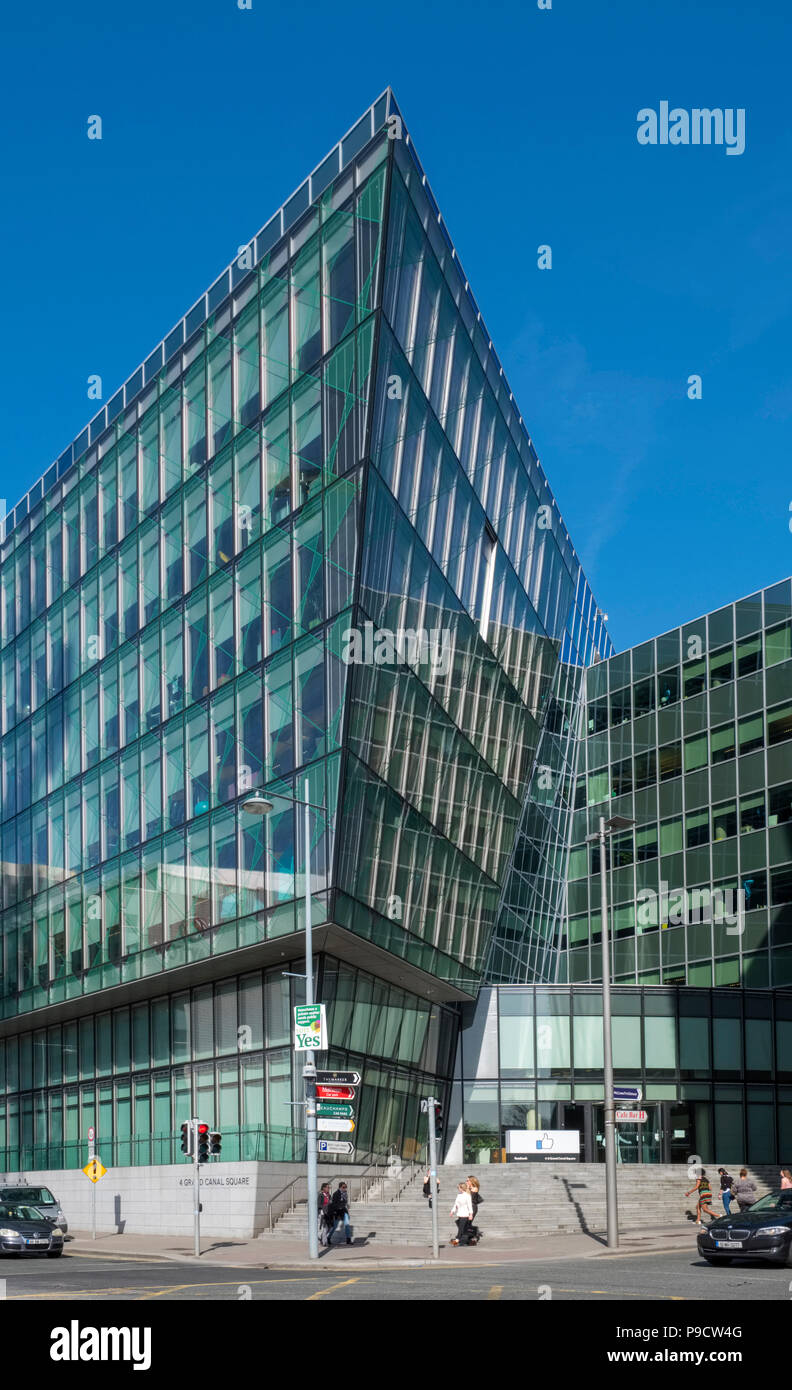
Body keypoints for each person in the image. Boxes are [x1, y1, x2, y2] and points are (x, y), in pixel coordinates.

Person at [327, 1181, 352, 1245]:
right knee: (335, 1226)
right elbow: (334, 1204)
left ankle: (348, 1239)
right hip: (337, 1212)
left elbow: (345, 1202)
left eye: (345, 1187)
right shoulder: (336, 1194)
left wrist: (346, 1205)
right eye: (343, 1187)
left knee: (347, 1224)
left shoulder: (345, 1194)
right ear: (340, 1187)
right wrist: (339, 1207)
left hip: (344, 1211)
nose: (345, 1188)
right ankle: (328, 1238)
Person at [450, 1182, 473, 1246]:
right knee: (463, 1229)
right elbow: (456, 1204)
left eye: (459, 1187)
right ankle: (469, 1240)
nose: (458, 1188)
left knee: (461, 1228)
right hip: (460, 1214)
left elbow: (469, 1206)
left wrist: (471, 1214)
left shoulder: (467, 1196)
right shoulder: (459, 1195)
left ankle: (457, 1240)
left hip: (465, 1214)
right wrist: (452, 1211)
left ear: (461, 1188)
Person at [466, 1176, 482, 1244]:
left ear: (471, 1181)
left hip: (473, 1207)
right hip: (467, 1207)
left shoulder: (475, 1188)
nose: (466, 1182)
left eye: (467, 1180)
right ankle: (472, 1235)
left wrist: (467, 1187)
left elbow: (470, 1196)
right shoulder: (468, 1188)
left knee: (468, 1222)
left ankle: (475, 1233)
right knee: (466, 1223)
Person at [317, 1182, 332, 1247]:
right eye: (328, 1187)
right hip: (322, 1213)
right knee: (324, 1227)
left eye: (329, 1187)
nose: (329, 1189)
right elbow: (319, 1205)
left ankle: (321, 1237)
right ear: (324, 1188)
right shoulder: (320, 1195)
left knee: (329, 1227)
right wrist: (326, 1205)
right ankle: (324, 1242)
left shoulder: (329, 1195)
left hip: (328, 1213)